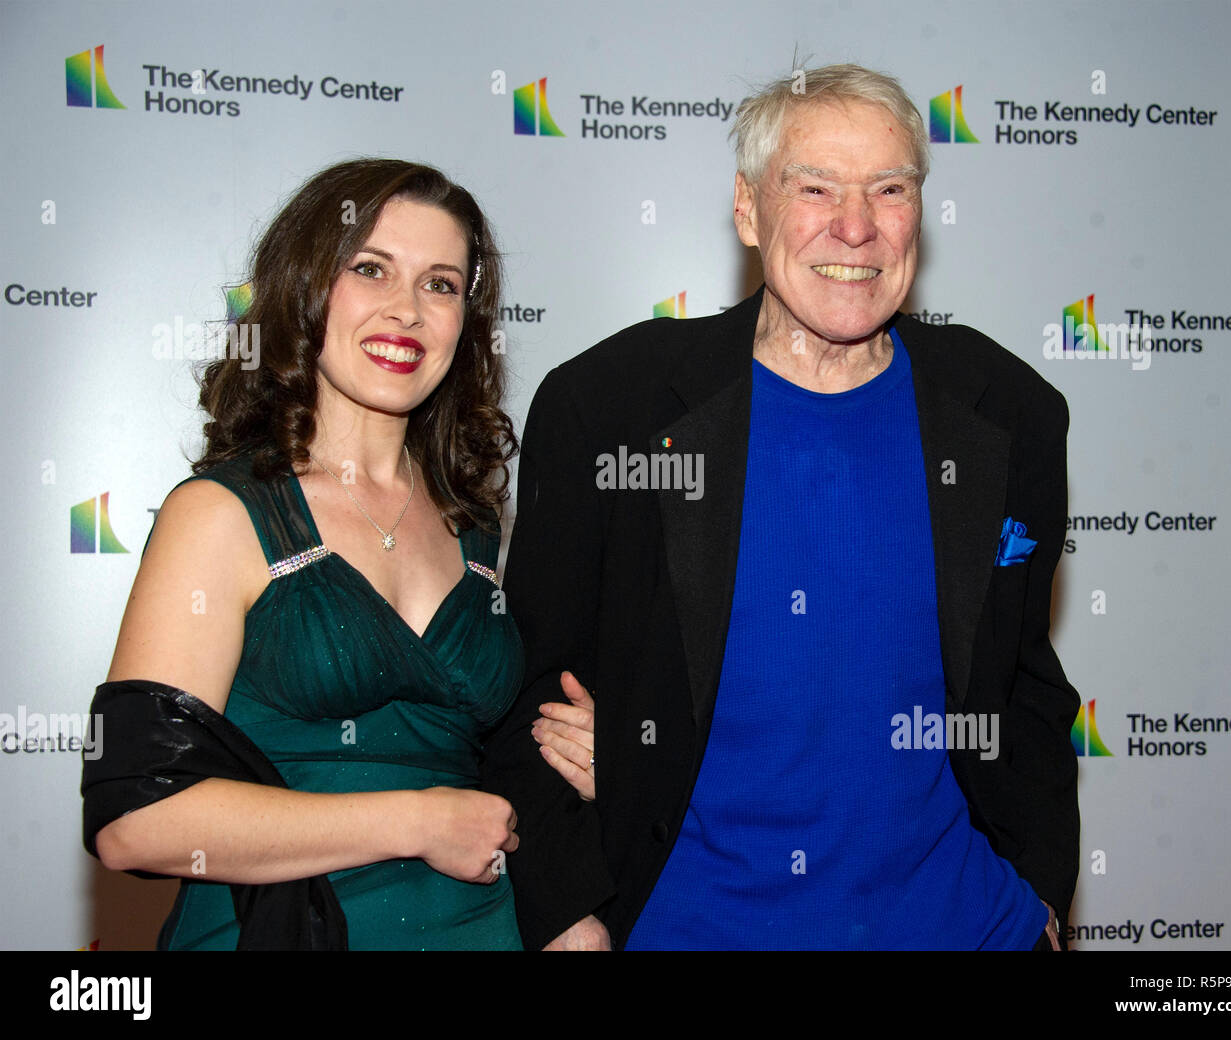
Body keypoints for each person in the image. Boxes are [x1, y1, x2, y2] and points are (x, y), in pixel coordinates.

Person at [484, 65, 1080, 950]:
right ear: (747, 210)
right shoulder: (611, 407)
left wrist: (1040, 901)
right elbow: (524, 689)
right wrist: (572, 922)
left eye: (891, 188)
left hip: (967, 926)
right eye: (816, 188)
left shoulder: (1008, 411)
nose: (857, 226)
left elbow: (1021, 682)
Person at [82, 158, 594, 950]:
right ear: (305, 289)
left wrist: (606, 755)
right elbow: (134, 820)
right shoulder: (223, 515)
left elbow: (492, 753)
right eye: (370, 269)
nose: (408, 312)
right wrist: (413, 821)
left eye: (441, 285)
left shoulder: (477, 523)